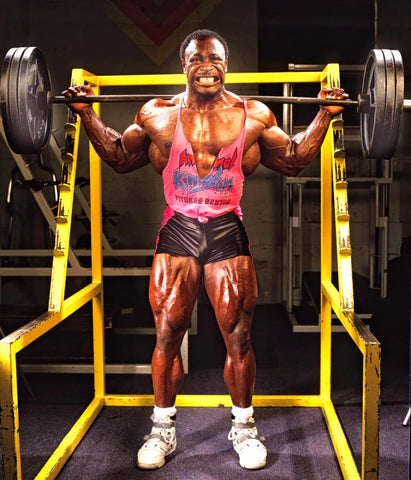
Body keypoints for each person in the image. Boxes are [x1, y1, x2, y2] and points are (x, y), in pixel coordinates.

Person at [63, 29, 347, 470]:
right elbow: (119, 156)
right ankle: (162, 427)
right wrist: (85, 113)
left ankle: (245, 425)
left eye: (214, 58)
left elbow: (292, 159)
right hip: (178, 226)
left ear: (225, 64)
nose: (206, 66)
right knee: (167, 331)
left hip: (225, 227)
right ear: (185, 65)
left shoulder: (253, 115)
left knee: (238, 333)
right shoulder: (157, 114)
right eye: (197, 59)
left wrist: (326, 115)